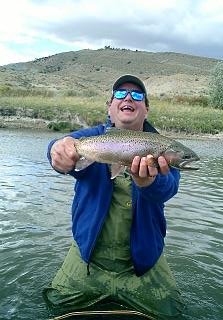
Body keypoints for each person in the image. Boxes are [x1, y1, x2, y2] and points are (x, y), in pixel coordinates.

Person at [43, 75, 185, 319]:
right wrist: (56, 151)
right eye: (120, 94)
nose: (128, 97)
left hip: (144, 262)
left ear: (146, 109)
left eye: (137, 95)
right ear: (109, 107)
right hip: (87, 257)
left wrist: (149, 183)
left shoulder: (160, 145)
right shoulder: (91, 138)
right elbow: (60, 146)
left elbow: (168, 189)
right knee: (54, 307)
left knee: (173, 313)